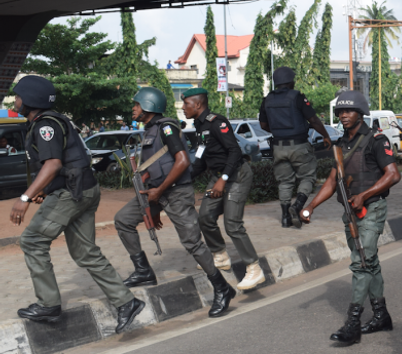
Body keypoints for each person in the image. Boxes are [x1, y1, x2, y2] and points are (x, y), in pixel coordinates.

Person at [11, 75, 144, 333]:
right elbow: (66, 162)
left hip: (72, 195)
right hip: (84, 190)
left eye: (18, 96)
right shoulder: (55, 120)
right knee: (85, 252)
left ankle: (48, 304)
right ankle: (127, 302)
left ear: (29, 100)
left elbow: (53, 164)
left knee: (32, 241)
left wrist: (25, 198)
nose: (15, 100)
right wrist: (45, 190)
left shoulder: (44, 126)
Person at [114, 87, 235, 318]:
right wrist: (153, 207)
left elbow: (181, 161)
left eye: (137, 104)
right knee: (123, 219)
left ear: (149, 106)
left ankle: (222, 288)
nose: (134, 108)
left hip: (176, 193)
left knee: (192, 244)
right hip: (156, 194)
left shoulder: (166, 128)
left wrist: (159, 192)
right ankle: (143, 270)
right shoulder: (150, 130)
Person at [301, 91, 401, 345]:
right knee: (370, 263)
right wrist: (311, 206)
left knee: (360, 263)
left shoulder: (376, 140)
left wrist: (364, 194)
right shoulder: (341, 144)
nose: (343, 116)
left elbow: (392, 175)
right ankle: (381, 315)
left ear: (361, 113)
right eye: (340, 112)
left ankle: (352, 323)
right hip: (351, 212)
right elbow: (333, 180)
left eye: (349, 111)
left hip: (372, 209)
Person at [183, 88, 265, 291]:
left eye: (186, 103)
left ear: (198, 105)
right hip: (218, 178)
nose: (183, 107)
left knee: (232, 224)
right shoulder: (199, 126)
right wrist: (183, 180)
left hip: (237, 176)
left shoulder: (217, 122)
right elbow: (201, 160)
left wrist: (224, 179)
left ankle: (254, 268)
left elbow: (235, 151)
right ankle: (220, 255)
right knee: (205, 216)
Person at [258, 66, 330, 228]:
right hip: (299, 145)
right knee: (308, 177)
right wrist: (325, 135)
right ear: (290, 82)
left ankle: (285, 218)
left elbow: (263, 124)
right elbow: (314, 120)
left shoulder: (267, 99)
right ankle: (297, 206)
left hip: (278, 147)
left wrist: (278, 131)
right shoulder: (297, 97)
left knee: (284, 181)